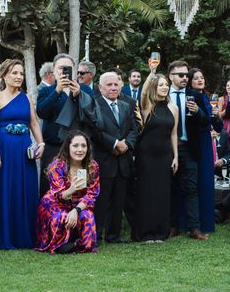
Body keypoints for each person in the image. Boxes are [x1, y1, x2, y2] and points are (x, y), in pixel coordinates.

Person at [0, 59, 45, 249]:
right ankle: (2, 234)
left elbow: (33, 123)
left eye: (21, 73)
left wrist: (41, 143)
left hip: (24, 150)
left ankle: (23, 236)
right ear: (5, 75)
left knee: (23, 189)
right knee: (4, 189)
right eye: (14, 73)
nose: (18, 77)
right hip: (3, 149)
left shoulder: (26, 98)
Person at [89, 71, 138, 243]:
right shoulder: (93, 105)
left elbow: (134, 129)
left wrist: (127, 145)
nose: (113, 88)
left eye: (116, 84)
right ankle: (96, 236)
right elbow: (95, 131)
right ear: (100, 87)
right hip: (104, 159)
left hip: (123, 161)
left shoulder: (126, 105)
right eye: (109, 85)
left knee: (118, 201)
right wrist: (115, 144)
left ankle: (113, 235)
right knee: (101, 201)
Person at [36, 53, 94, 195]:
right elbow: (42, 112)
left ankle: (77, 216)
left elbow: (93, 116)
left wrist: (79, 95)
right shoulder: (47, 90)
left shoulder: (85, 89)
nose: (64, 71)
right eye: (61, 68)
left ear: (74, 70)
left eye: (67, 68)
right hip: (53, 148)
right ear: (54, 70)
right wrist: (57, 91)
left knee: (79, 189)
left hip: (79, 150)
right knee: (50, 189)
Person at [36, 130, 99, 254]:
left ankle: (78, 245)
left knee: (88, 217)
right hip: (56, 203)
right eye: (75, 145)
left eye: (83, 146)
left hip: (79, 204)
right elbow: (59, 195)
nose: (80, 149)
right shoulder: (57, 166)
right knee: (61, 217)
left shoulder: (92, 166)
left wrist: (76, 210)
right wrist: (72, 189)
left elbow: (92, 194)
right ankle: (58, 245)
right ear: (67, 147)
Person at [167, 60, 210, 241]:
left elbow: (207, 122)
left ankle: (194, 228)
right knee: (169, 188)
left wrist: (199, 111)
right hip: (167, 149)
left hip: (188, 148)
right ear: (171, 76)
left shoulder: (195, 96)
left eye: (186, 75)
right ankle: (172, 226)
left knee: (191, 188)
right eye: (181, 75)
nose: (185, 78)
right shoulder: (163, 94)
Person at [135, 74, 178, 242]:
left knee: (162, 194)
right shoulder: (147, 106)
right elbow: (143, 94)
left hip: (165, 155)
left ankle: (160, 232)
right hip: (146, 155)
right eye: (161, 85)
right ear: (154, 87)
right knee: (146, 193)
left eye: (166, 85)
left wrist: (176, 157)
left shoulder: (173, 108)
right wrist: (151, 74)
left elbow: (174, 134)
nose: (165, 87)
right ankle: (145, 233)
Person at [186, 68, 223, 236]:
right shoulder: (192, 96)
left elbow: (218, 127)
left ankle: (206, 221)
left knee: (207, 181)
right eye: (196, 78)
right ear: (190, 82)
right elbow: (200, 121)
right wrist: (209, 117)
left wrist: (217, 116)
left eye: (202, 77)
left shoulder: (207, 98)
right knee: (198, 182)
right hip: (197, 141)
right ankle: (197, 223)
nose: (200, 80)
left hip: (207, 142)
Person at [218, 80, 230, 147]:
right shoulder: (221, 99)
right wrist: (229, 108)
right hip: (226, 126)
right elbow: (219, 115)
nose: (229, 87)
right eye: (227, 85)